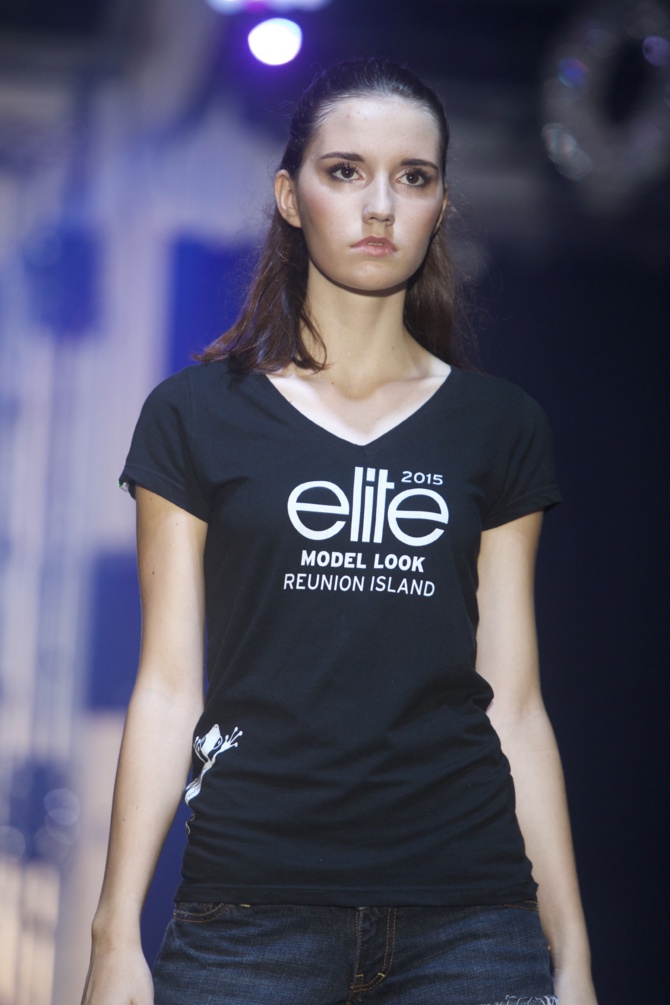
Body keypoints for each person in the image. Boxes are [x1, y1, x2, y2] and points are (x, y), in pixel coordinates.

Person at [82, 59, 598, 1005]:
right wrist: (114, 935)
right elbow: (166, 685)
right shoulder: (195, 415)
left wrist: (574, 957)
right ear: (290, 196)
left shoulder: (499, 425)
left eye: (414, 177)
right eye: (346, 171)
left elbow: (515, 703)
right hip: (251, 916)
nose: (380, 207)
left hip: (469, 920)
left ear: (441, 206)